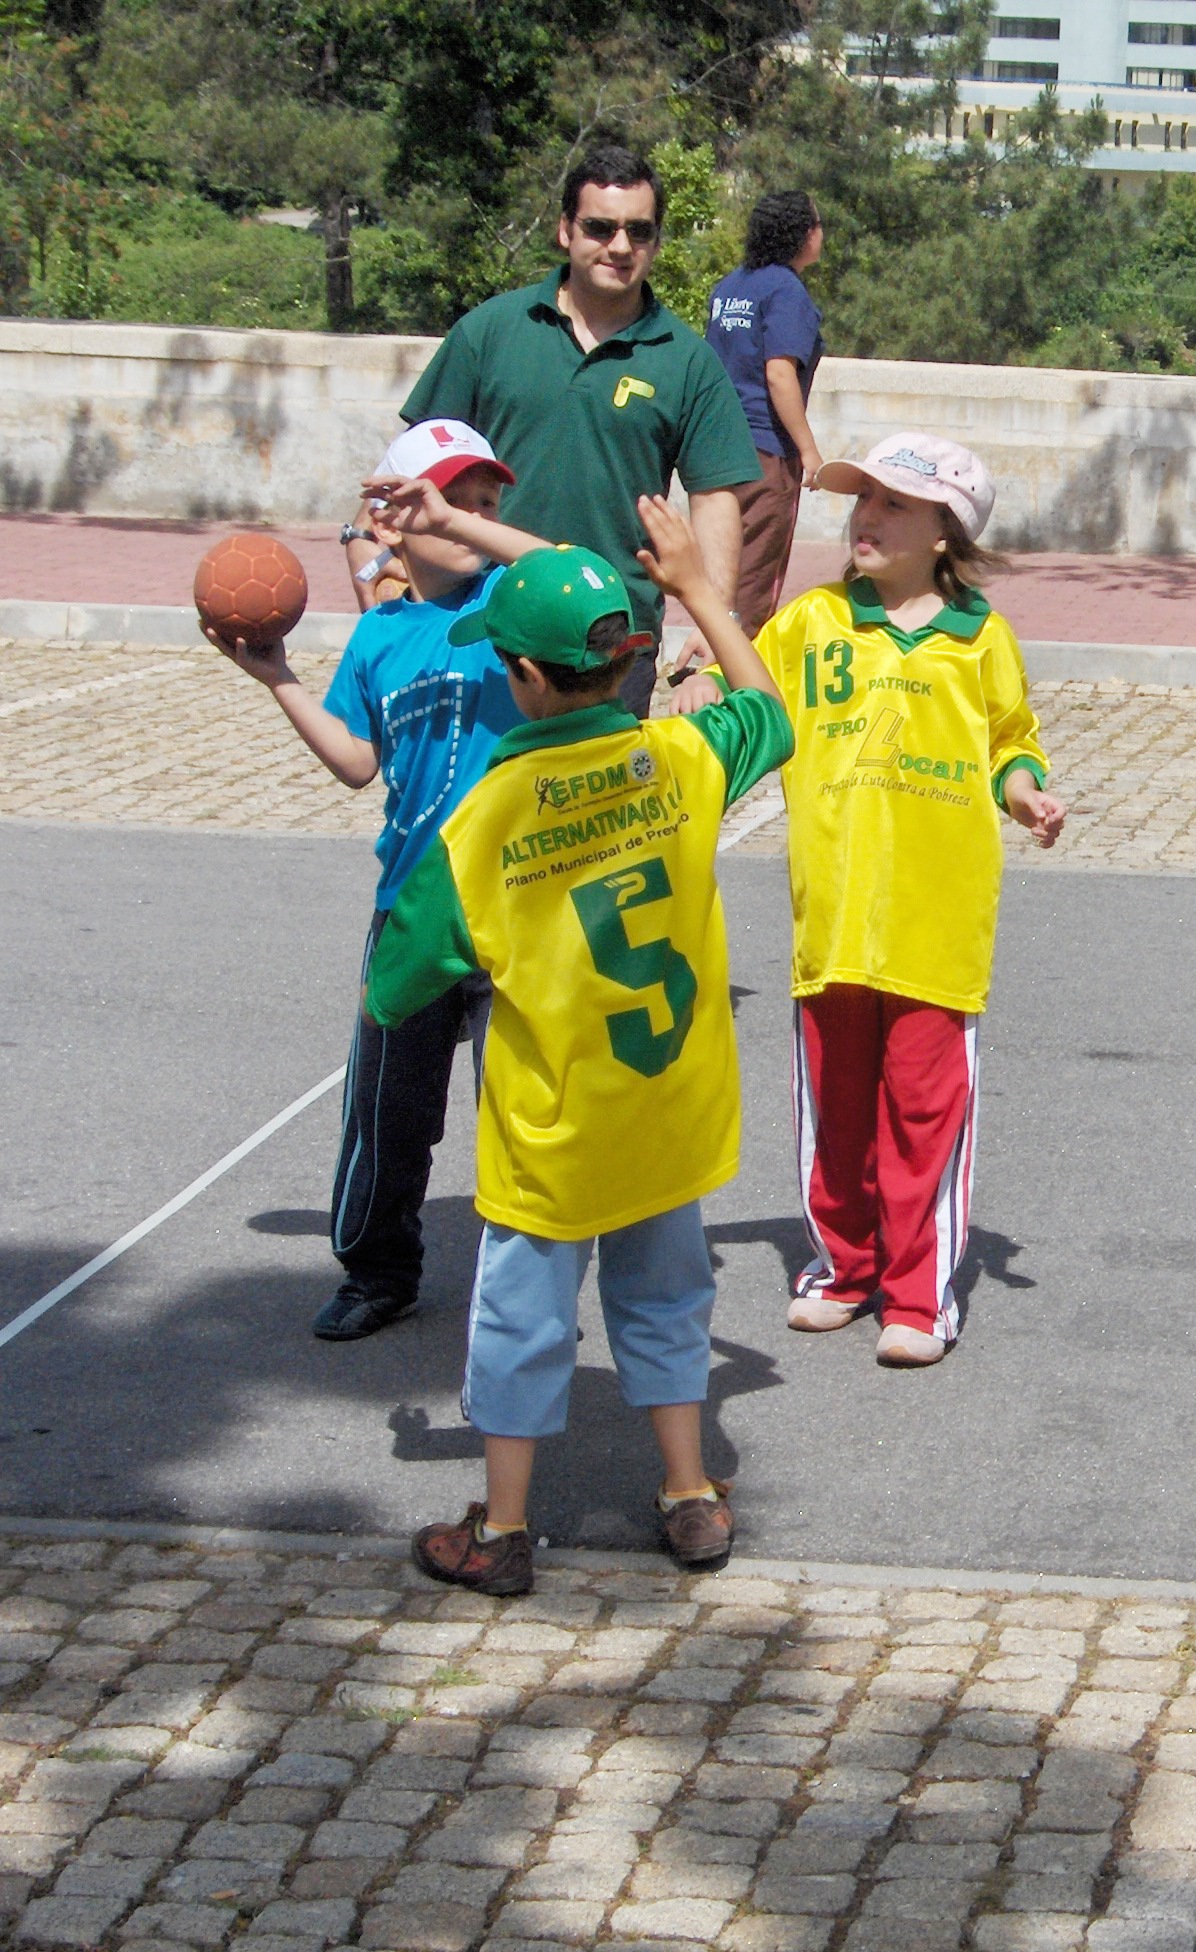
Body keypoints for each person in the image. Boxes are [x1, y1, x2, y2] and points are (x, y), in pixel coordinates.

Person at [371, 513, 793, 1595]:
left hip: (552, 1133)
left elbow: (396, 984)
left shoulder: (486, 818)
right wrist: (702, 590)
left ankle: (504, 1526)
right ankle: (690, 1494)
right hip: (666, 1110)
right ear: (627, 659)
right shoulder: (679, 758)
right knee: (666, 1298)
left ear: (522, 675)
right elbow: (770, 714)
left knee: (520, 1317)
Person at [691, 434, 1062, 1367]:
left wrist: (1024, 793)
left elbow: (1012, 741)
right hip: (834, 918)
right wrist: (703, 676)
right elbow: (749, 691)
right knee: (838, 1108)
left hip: (938, 924)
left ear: (945, 532)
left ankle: (918, 1294)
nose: (868, 516)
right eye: (863, 499)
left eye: (895, 503)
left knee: (923, 1113)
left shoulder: (982, 639)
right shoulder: (812, 621)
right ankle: (843, 1268)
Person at [209, 421, 545, 1341]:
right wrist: (279, 679)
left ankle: (529, 1280)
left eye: (483, 501)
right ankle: (377, 1269)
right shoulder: (379, 637)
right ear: (391, 519)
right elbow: (358, 763)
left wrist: (460, 524)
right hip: (412, 910)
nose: (469, 513)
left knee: (524, 1107)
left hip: (519, 902)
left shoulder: (513, 602)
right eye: (446, 497)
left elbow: (571, 568)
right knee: (388, 1111)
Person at [400, 144, 761, 718]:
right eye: (600, 227)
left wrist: (715, 622)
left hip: (611, 640)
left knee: (603, 780)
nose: (620, 246)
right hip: (484, 621)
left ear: (656, 242)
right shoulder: (490, 331)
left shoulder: (689, 361)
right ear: (565, 229)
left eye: (639, 231)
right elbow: (414, 465)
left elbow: (716, 498)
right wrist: (379, 563)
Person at [705, 190, 828, 631]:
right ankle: (735, 666)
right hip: (765, 453)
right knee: (755, 581)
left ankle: (710, 653)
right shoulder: (786, 291)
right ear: (803, 234)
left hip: (717, 447)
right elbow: (779, 373)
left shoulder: (730, 287)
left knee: (719, 574)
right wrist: (808, 450)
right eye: (818, 224)